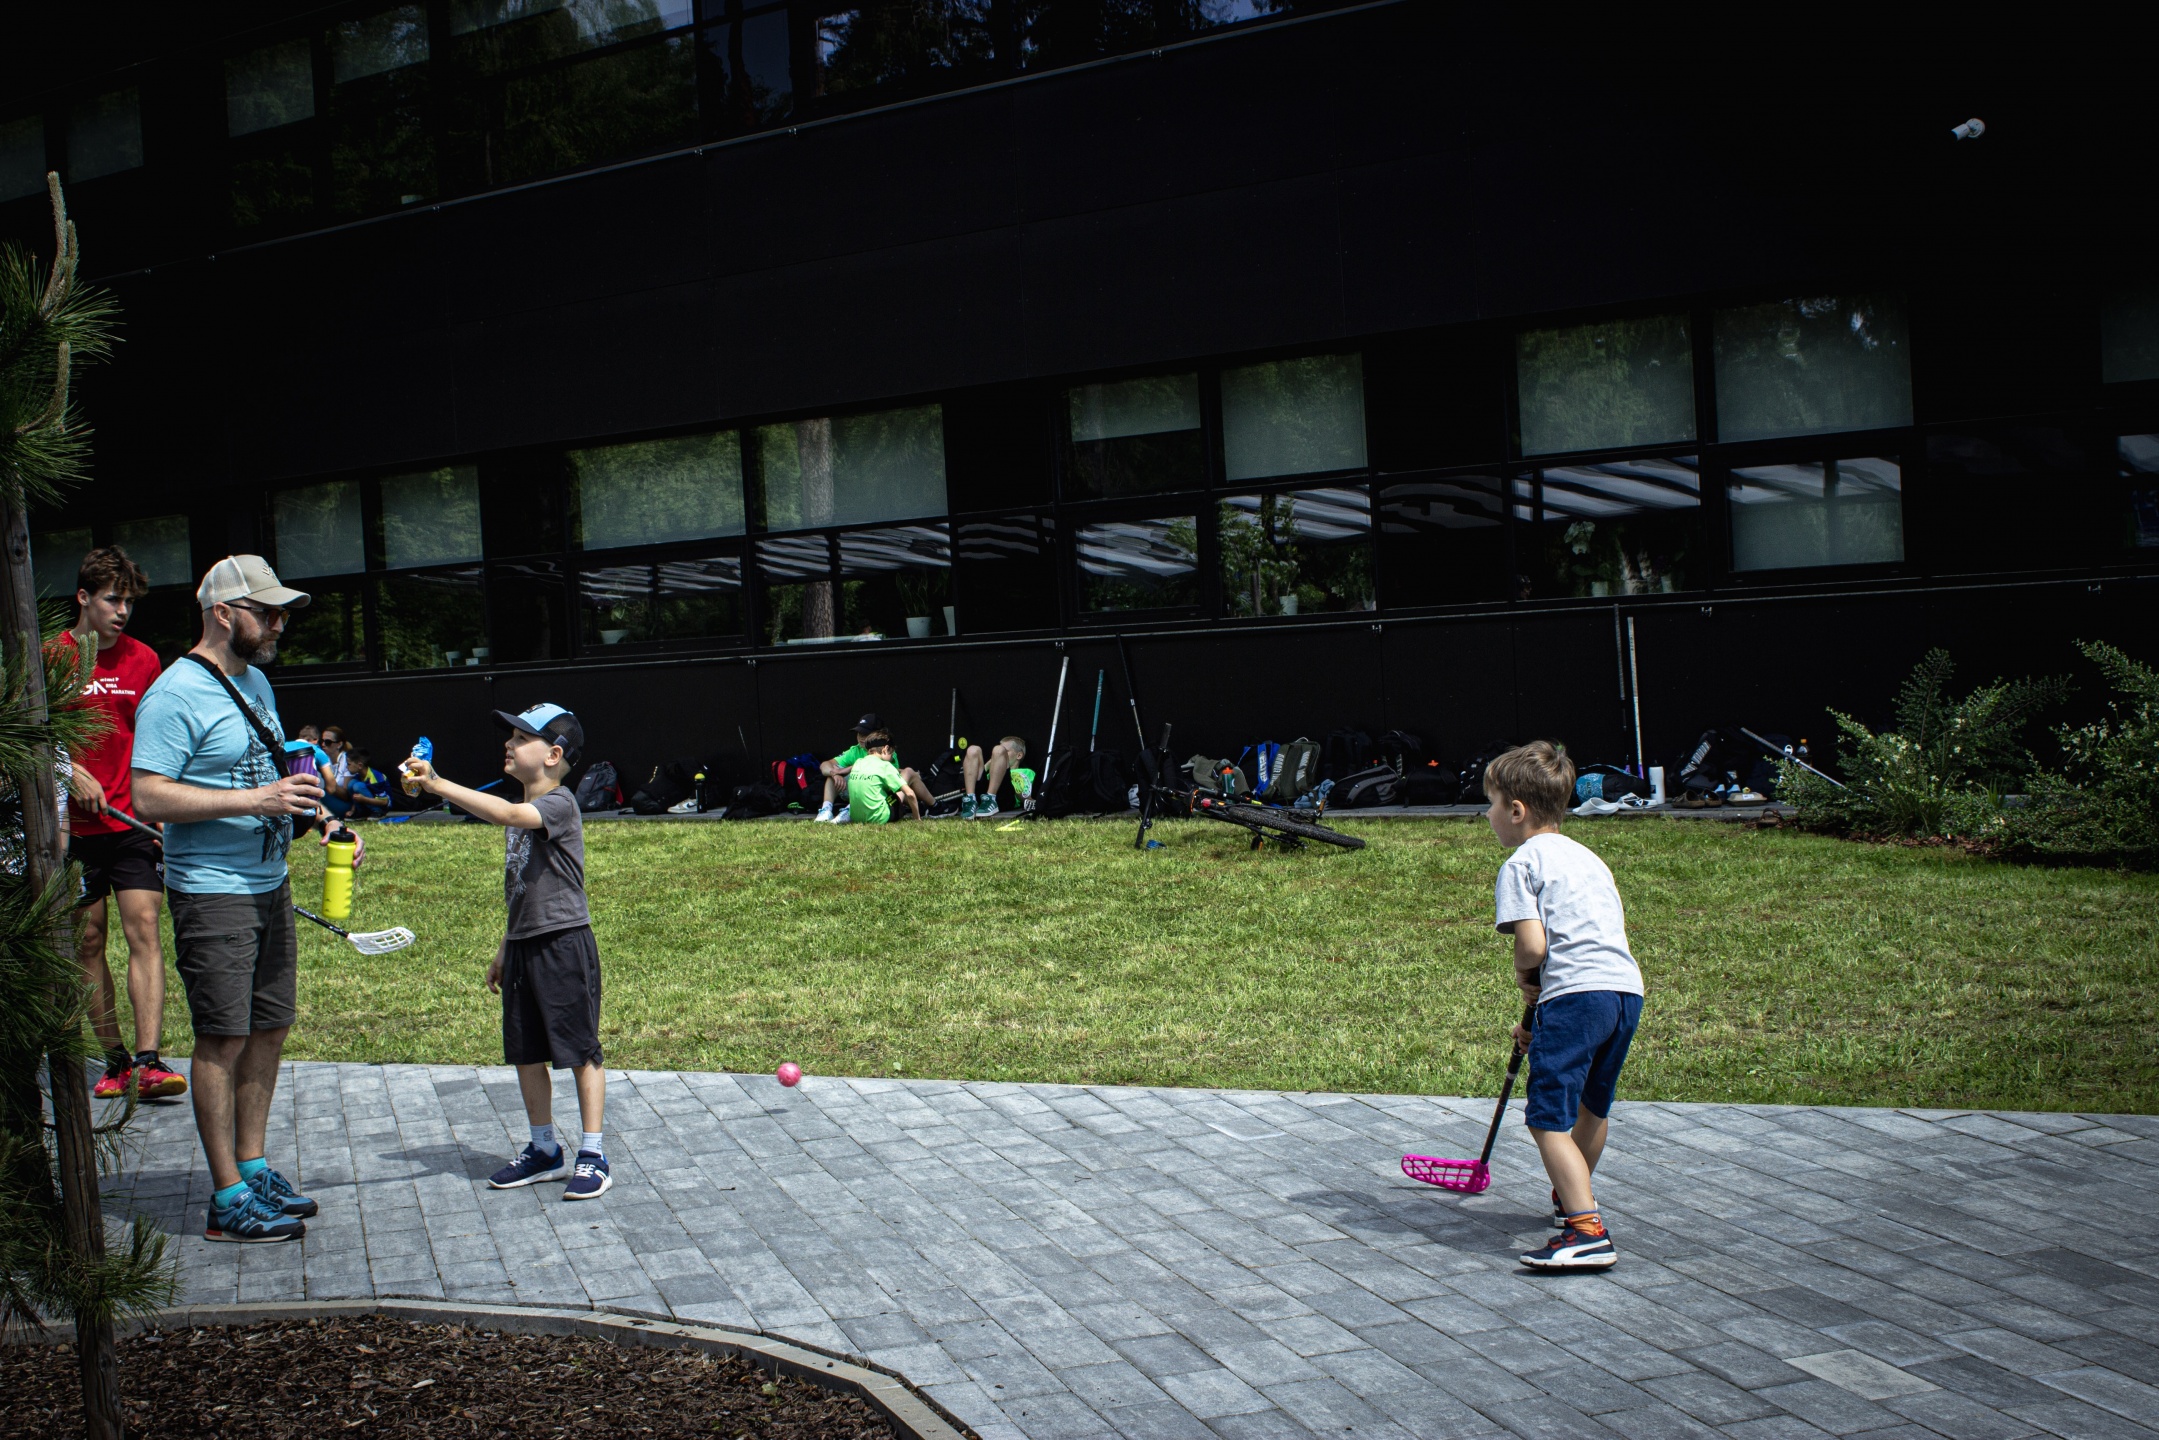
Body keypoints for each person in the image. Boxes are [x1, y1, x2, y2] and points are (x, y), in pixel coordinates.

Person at [132, 556, 325, 1244]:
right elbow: (147, 795)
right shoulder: (174, 694)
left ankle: (253, 1166)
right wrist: (255, 800)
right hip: (212, 891)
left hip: (269, 881)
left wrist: (322, 817)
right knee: (223, 1036)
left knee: (269, 1027)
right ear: (222, 612)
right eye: (266, 612)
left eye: (281, 614)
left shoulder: (256, 682)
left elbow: (271, 774)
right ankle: (226, 1199)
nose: (278, 624)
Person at [400, 704, 612, 1201]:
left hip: (562, 943)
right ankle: (544, 1149)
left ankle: (594, 1154)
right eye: (511, 737)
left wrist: (437, 784)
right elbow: (523, 889)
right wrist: (505, 946)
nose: (509, 745)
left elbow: (510, 813)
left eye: (521, 738)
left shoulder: (557, 804)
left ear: (553, 755)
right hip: (523, 944)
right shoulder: (523, 810)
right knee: (526, 1053)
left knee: (580, 1050)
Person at [1482, 740, 1644, 1271]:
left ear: (1516, 810)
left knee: (1547, 1117)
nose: (1487, 815)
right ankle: (1571, 1196)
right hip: (1623, 992)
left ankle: (1587, 1231)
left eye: (1490, 804)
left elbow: (1533, 947)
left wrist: (1524, 977)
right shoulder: (1587, 858)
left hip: (1575, 995)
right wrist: (1543, 1016)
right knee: (1592, 1107)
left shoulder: (1521, 862)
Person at [55, 547, 188, 1101]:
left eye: (129, 602)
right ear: (83, 597)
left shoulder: (144, 660)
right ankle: (114, 1062)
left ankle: (149, 1061)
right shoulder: (51, 657)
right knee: (88, 940)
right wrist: (68, 769)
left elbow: (160, 740)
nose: (122, 611)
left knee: (145, 929)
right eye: (113, 600)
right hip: (73, 831)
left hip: (132, 822)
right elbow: (29, 735)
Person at [844, 732, 921, 824]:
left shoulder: (858, 763)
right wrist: (917, 819)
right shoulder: (885, 766)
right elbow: (910, 794)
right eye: (892, 753)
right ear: (886, 749)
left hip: (855, 818)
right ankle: (931, 806)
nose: (891, 758)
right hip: (879, 818)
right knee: (893, 795)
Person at [960, 735, 1027, 820]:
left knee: (998, 749)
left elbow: (1025, 796)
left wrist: (1000, 754)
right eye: (995, 755)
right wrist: (990, 763)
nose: (998, 755)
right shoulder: (990, 770)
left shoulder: (1026, 772)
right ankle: (970, 800)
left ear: (1019, 755)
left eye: (1005, 752)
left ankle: (990, 798)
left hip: (1004, 797)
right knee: (972, 750)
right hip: (982, 798)